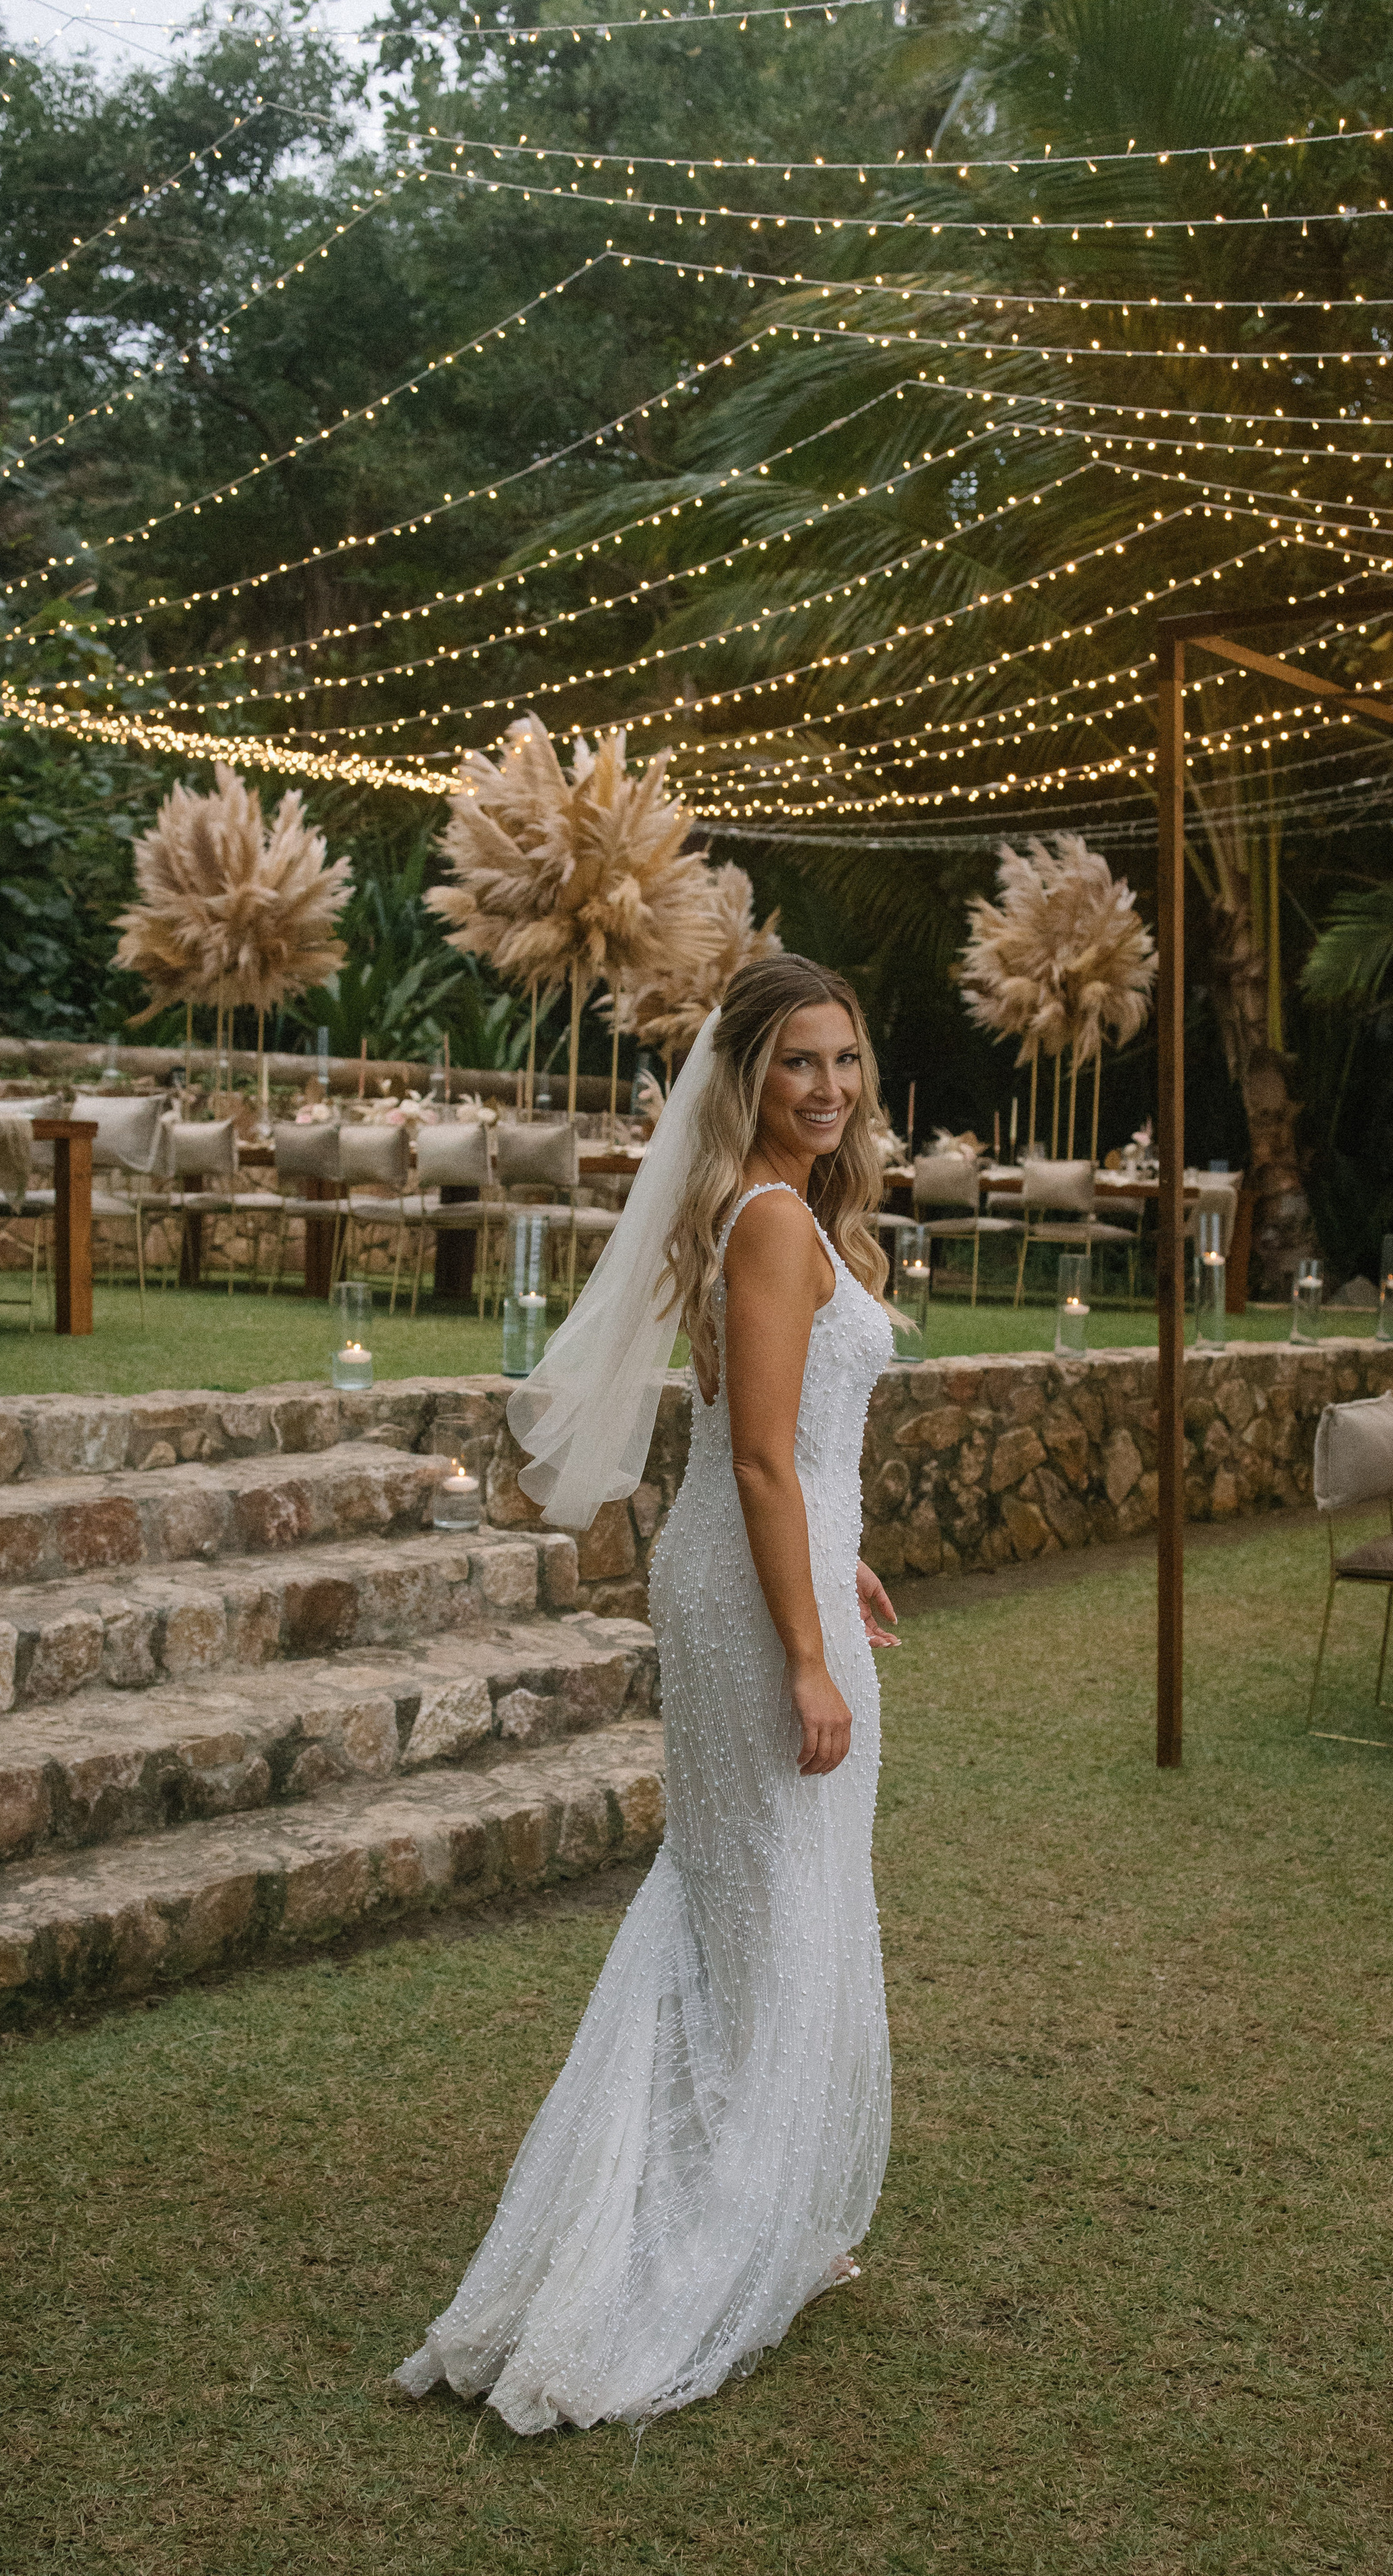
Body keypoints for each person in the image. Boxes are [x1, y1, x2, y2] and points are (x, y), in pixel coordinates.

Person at [393, 955, 903, 2434]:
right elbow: (748, 1460)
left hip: (782, 1572)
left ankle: (767, 2211)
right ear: (744, 1078)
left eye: (844, 1060)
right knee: (750, 1891)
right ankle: (705, 2229)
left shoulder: (786, 1213)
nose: (827, 1088)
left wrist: (841, 1566)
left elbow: (797, 1453)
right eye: (797, 1063)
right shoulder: (761, 1216)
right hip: (751, 1603)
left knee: (773, 1888)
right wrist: (805, 1651)